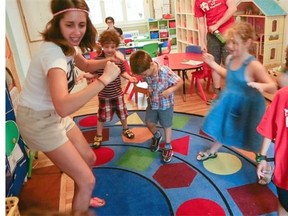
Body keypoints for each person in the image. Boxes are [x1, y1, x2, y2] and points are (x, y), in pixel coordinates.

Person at [16, 0, 122, 213]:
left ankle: (82, 197)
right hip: (38, 120)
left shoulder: (67, 46)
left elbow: (85, 65)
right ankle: (83, 197)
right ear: (57, 23)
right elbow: (64, 107)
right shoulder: (53, 55)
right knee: (88, 181)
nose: (76, 32)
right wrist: (104, 80)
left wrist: (108, 59)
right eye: (69, 25)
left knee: (89, 158)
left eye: (81, 25)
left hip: (52, 114)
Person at [196, 22, 277, 161]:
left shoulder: (253, 65)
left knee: (253, 135)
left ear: (247, 43)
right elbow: (230, 75)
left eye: (235, 43)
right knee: (226, 128)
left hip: (250, 107)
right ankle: (212, 150)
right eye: (228, 42)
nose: (229, 46)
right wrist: (213, 64)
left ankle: (263, 162)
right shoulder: (230, 58)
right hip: (233, 102)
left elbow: (273, 86)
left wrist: (262, 86)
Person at [78, 30, 138, 148]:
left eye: (112, 47)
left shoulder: (118, 60)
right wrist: (85, 75)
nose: (110, 49)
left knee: (123, 114)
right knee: (101, 117)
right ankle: (99, 134)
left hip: (118, 94)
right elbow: (94, 75)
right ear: (102, 46)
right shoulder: (98, 61)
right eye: (106, 47)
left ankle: (125, 129)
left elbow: (123, 72)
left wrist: (130, 78)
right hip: (104, 95)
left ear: (116, 46)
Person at [129, 50, 183, 163]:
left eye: (144, 74)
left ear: (152, 64)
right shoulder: (147, 70)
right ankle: (157, 136)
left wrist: (170, 90)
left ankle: (168, 146)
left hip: (165, 105)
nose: (144, 76)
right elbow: (148, 81)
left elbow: (180, 82)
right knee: (149, 122)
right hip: (152, 103)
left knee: (166, 125)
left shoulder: (165, 71)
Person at [256, 46, 288, 215]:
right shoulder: (283, 96)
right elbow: (269, 129)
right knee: (283, 203)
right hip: (284, 172)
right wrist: (262, 157)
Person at [194, 0, 237, 104]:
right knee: (213, 63)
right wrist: (203, 42)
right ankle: (217, 92)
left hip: (229, 32)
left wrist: (217, 24)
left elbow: (233, 8)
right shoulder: (197, 2)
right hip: (212, 36)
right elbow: (200, 23)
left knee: (231, 64)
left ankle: (233, 93)